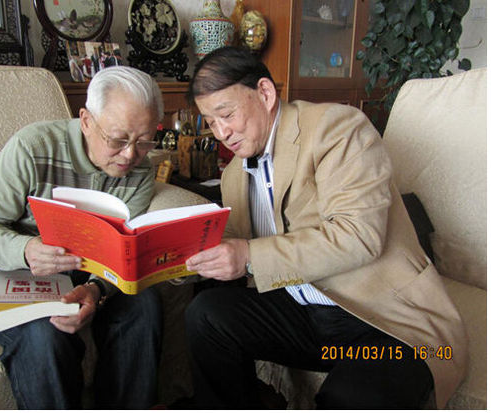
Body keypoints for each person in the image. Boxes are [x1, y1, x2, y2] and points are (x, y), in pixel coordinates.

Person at [184, 46, 467, 409]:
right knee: (206, 314)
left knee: (352, 397)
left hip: (381, 317)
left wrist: (248, 255)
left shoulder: (337, 128)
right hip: (304, 312)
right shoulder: (235, 174)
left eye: (226, 114)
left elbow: (359, 236)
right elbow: (240, 255)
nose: (222, 132)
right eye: (210, 122)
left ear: (265, 93)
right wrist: (184, 258)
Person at [0, 66, 164, 409]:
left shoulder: (142, 169)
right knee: (44, 334)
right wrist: (26, 249)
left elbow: (123, 249)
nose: (131, 155)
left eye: (144, 141)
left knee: (144, 305)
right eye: (117, 140)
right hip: (7, 267)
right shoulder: (32, 146)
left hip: (86, 270)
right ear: (86, 121)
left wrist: (97, 290)